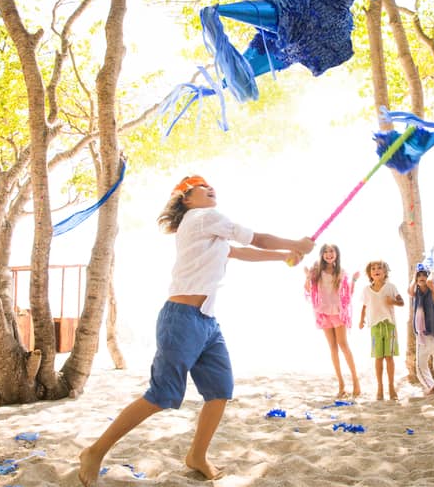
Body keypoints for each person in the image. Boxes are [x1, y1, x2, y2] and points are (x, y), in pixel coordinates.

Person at [78, 175, 314, 485]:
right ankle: (95, 452)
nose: (210, 187)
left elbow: (241, 252)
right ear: (187, 200)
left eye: (210, 184)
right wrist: (295, 243)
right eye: (201, 187)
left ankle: (197, 456)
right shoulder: (202, 217)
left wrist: (285, 257)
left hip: (206, 322)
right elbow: (256, 239)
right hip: (181, 319)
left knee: (219, 391)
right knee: (161, 395)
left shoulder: (209, 229)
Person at [304, 244, 361, 398]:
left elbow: (348, 294)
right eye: (326, 252)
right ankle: (341, 383)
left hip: (337, 312)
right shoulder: (317, 271)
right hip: (323, 312)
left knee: (343, 344)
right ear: (322, 254)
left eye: (332, 251)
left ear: (337, 254)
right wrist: (307, 276)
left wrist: (354, 280)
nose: (329, 254)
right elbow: (308, 290)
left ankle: (355, 380)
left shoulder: (341, 272)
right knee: (332, 348)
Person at [358, 260, 404, 401]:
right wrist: (361, 320)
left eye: (380, 268)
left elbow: (401, 302)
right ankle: (380, 388)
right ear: (369, 273)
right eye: (373, 268)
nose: (376, 270)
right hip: (375, 327)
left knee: (389, 357)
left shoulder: (391, 287)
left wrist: (393, 302)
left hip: (389, 325)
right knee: (378, 358)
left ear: (385, 273)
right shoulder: (366, 290)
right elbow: (365, 306)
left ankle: (391, 387)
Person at [408, 263, 434, 396]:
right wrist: (415, 277)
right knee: (420, 366)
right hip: (421, 335)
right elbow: (409, 290)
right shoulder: (416, 293)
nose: (422, 277)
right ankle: (431, 387)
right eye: (419, 275)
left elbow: (430, 282)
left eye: (424, 275)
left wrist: (431, 271)